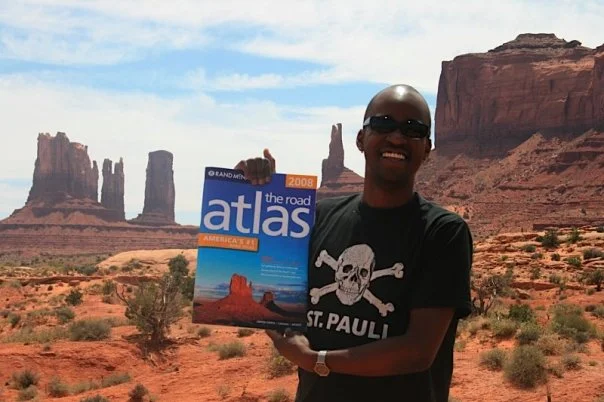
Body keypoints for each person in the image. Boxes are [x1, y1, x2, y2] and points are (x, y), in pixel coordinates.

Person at [235, 84, 473, 402]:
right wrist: (256, 201)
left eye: (412, 129)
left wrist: (315, 361)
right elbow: (267, 292)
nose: (397, 137)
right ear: (361, 139)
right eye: (383, 123)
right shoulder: (317, 217)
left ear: (427, 149)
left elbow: (417, 352)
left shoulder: (442, 232)